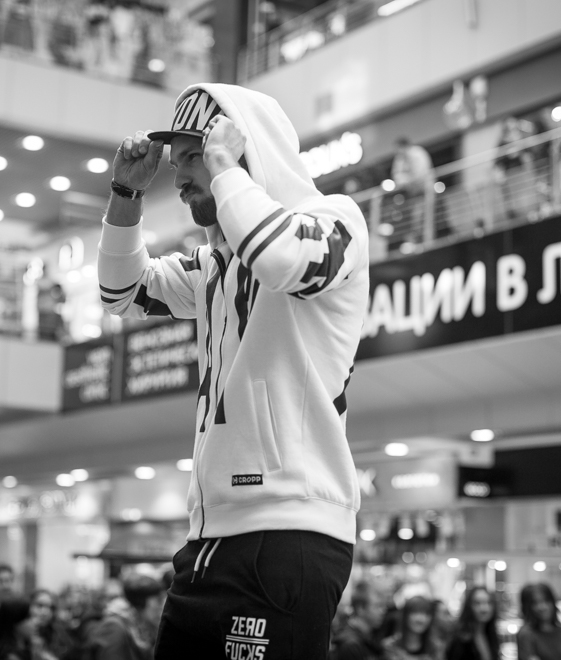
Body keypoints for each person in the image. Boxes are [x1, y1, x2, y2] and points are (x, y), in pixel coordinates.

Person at [98, 83, 369, 659]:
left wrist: (223, 166)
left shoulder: (335, 221)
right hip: (209, 537)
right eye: (178, 161)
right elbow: (120, 291)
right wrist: (126, 192)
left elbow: (279, 260)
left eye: (193, 155)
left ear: (245, 150)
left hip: (288, 531)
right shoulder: (214, 265)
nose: (178, 174)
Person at [84, 575, 166, 660]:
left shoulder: (144, 628)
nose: (162, 607)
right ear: (142, 601)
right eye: (158, 600)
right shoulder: (114, 628)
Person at [390, 137, 436, 245]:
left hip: (426, 190)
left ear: (403, 146)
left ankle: (429, 242)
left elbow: (419, 176)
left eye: (398, 149)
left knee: (427, 218)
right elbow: (396, 176)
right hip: (414, 194)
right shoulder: (400, 159)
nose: (397, 152)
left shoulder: (417, 153)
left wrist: (406, 180)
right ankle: (419, 242)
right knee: (416, 219)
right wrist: (406, 180)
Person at [517, 583, 561, 660]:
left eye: (546, 601)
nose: (542, 607)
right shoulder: (526, 634)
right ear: (529, 607)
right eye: (535, 603)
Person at [330, 581, 387, 660]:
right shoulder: (350, 645)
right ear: (360, 608)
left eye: (383, 606)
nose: (383, 611)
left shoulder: (369, 637)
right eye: (377, 606)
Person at [382, 596, 444, 660]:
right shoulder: (390, 647)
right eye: (415, 612)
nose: (421, 619)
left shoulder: (436, 648)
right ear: (405, 615)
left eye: (426, 614)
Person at [446, 587, 499, 660]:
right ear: (469, 606)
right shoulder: (460, 639)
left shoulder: (490, 634)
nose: (484, 608)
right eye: (477, 603)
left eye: (488, 603)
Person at [29, 590, 74, 659]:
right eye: (40, 605)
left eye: (50, 607)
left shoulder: (58, 633)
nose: (45, 612)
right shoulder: (19, 634)